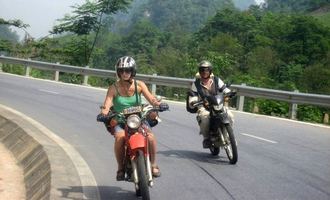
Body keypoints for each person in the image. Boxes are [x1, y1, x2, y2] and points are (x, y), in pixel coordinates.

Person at [100, 56, 166, 180]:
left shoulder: (139, 85)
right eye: (122, 71)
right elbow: (107, 104)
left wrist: (158, 104)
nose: (125, 73)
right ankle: (120, 168)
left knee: (150, 137)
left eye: (128, 70)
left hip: (138, 119)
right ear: (118, 72)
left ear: (133, 71)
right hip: (121, 120)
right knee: (120, 138)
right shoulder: (113, 88)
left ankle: (153, 164)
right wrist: (104, 113)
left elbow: (151, 98)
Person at [187, 60, 234, 148]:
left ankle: (228, 137)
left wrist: (229, 93)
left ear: (210, 71)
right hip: (204, 106)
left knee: (230, 115)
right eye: (202, 70)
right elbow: (193, 95)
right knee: (205, 118)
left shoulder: (216, 80)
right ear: (199, 71)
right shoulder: (196, 84)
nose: (205, 72)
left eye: (207, 70)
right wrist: (193, 101)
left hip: (218, 104)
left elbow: (224, 88)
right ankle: (206, 138)